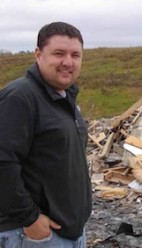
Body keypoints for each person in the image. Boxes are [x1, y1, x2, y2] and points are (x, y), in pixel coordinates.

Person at [0, 22, 92, 248]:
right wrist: (30, 218)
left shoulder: (65, 97)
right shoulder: (20, 97)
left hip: (69, 232)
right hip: (33, 235)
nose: (68, 62)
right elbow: (3, 162)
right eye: (58, 53)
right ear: (38, 54)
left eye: (75, 55)